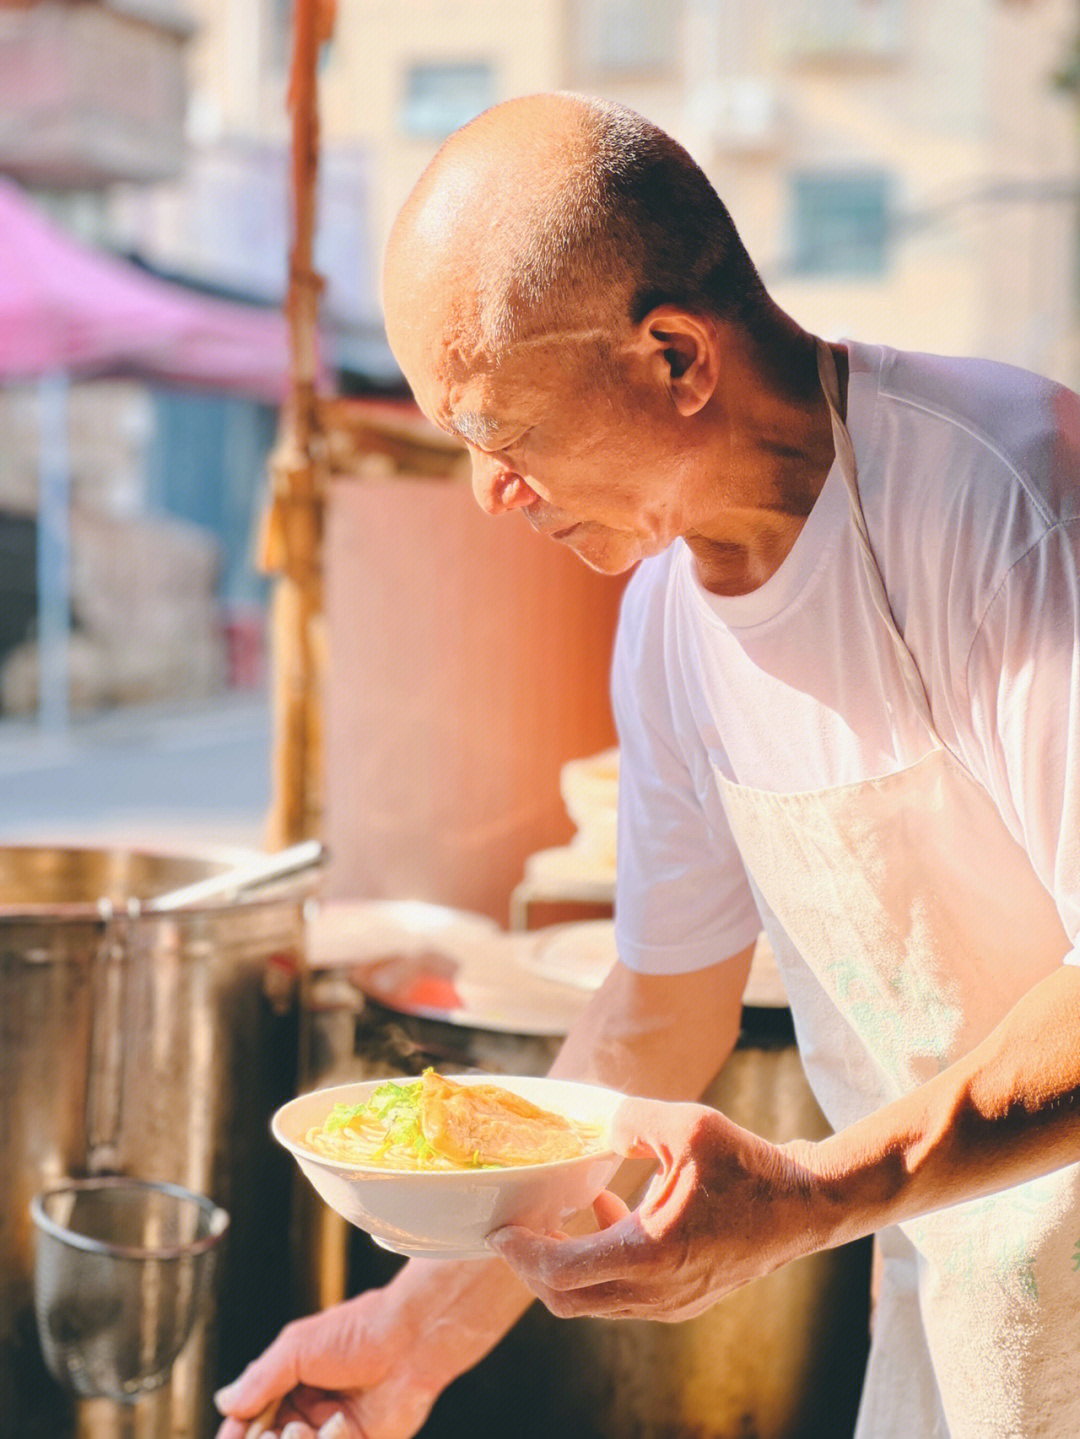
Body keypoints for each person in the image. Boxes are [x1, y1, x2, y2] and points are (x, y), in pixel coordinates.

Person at [215, 93, 1080, 1439]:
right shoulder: (671, 627)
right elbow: (654, 1015)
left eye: (501, 433)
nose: (493, 492)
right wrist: (416, 1330)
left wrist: (814, 1195)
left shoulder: (1012, 497)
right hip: (952, 1289)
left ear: (675, 356)